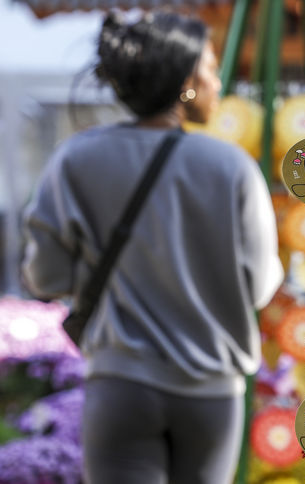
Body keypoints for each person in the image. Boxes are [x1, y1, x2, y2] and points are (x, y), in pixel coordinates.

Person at [21, 11, 283, 484]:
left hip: (120, 385)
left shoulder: (75, 159)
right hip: (210, 392)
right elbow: (261, 285)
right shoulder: (232, 167)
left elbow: (46, 278)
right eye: (207, 66)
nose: (216, 79)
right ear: (185, 81)